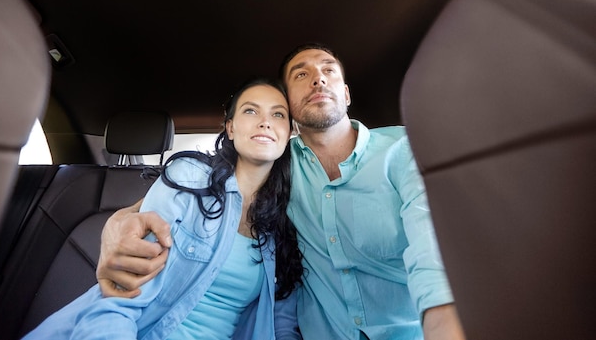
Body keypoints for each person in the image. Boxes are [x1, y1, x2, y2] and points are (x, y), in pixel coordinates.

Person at [97, 44, 466, 340]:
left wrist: (443, 327)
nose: (318, 80)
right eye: (301, 75)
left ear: (346, 93)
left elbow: (432, 255)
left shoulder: (402, 149)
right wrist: (117, 222)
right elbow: (171, 201)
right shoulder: (272, 164)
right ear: (289, 104)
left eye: (328, 70)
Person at [22, 78, 304, 340]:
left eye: (278, 114)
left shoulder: (287, 219)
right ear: (230, 128)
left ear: (290, 131)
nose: (266, 122)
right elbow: (120, 299)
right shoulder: (190, 179)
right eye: (251, 111)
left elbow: (280, 321)